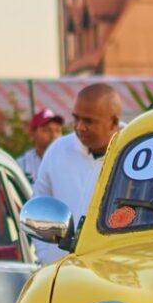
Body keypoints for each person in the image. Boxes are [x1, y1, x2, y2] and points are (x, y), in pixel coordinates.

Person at [32, 84, 122, 260]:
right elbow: (39, 207)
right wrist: (46, 257)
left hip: (114, 274)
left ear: (113, 122)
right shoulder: (58, 151)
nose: (79, 127)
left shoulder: (133, 152)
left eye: (88, 121)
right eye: (76, 119)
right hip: (62, 274)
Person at [16, 111, 63, 187]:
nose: (54, 135)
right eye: (46, 130)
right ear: (32, 133)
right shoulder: (22, 165)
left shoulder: (70, 163)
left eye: (57, 130)